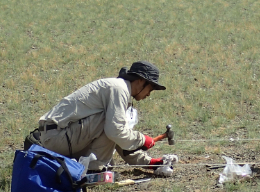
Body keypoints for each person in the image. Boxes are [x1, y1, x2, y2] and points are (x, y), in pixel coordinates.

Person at [24, 61, 178, 176]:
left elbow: (118, 138)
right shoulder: (119, 89)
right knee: (113, 124)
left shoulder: (120, 89)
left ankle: (94, 167)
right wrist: (141, 139)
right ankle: (94, 170)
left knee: (115, 125)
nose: (150, 94)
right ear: (140, 81)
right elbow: (114, 131)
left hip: (61, 137)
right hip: (56, 138)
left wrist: (151, 163)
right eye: (150, 88)